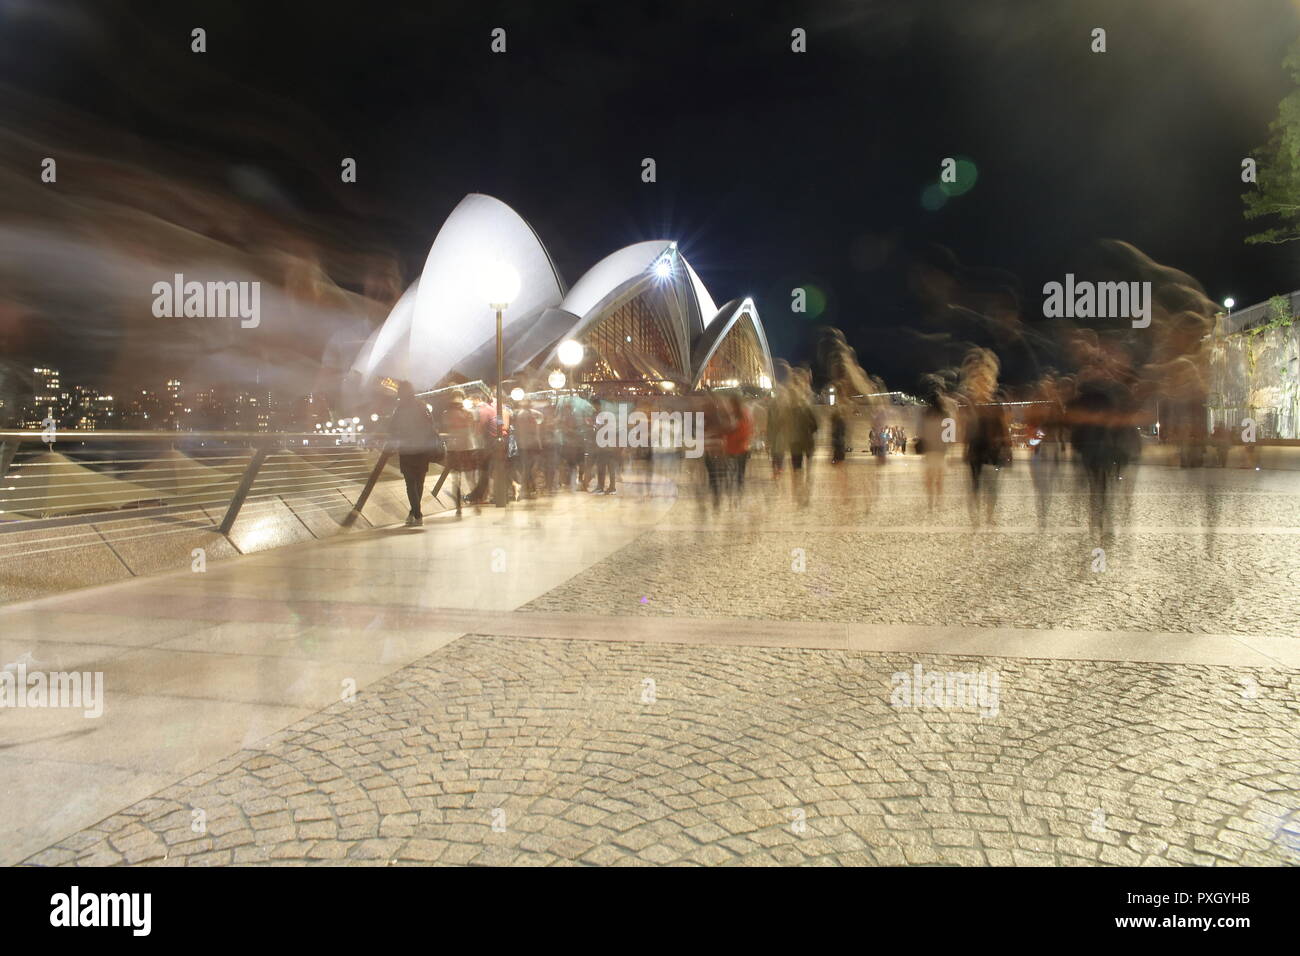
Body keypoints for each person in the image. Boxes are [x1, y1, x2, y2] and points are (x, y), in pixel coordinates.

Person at [388, 380, 438, 526]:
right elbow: (431, 425)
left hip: (407, 450)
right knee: (419, 482)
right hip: (423, 450)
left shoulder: (399, 409)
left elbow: (392, 428)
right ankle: (414, 513)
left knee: (410, 483)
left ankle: (417, 514)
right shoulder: (422, 406)